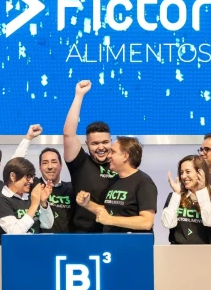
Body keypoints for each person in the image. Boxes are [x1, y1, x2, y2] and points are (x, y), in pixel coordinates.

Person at [63, 80, 116, 233]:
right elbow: (68, 134)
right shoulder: (80, 163)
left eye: (105, 142)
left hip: (115, 231)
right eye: (95, 143)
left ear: (111, 141)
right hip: (84, 233)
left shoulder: (120, 164)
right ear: (87, 144)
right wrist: (79, 96)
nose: (101, 147)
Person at [76, 137, 157, 234]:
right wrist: (87, 204)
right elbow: (110, 211)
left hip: (133, 242)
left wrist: (110, 220)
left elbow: (146, 222)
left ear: (125, 156)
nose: (109, 155)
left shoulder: (144, 182)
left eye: (113, 152)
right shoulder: (114, 180)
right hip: (111, 240)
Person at [0, 157, 54, 244]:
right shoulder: (1, 201)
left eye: (32, 177)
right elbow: (15, 233)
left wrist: (43, 202)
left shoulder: (29, 197)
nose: (31, 181)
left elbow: (47, 225)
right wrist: (34, 205)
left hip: (35, 247)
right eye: (28, 177)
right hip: (12, 250)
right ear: (13, 176)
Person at [161, 155, 211, 244]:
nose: (183, 176)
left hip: (204, 250)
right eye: (181, 172)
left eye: (188, 172)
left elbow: (209, 222)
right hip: (177, 250)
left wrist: (202, 192)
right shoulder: (174, 196)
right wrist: (177, 194)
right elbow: (168, 223)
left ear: (200, 173)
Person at [37, 147, 75, 233]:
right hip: (40, 240)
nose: (50, 167)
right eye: (45, 163)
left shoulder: (72, 189)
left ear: (61, 165)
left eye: (54, 162)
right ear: (40, 167)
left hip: (68, 240)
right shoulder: (33, 187)